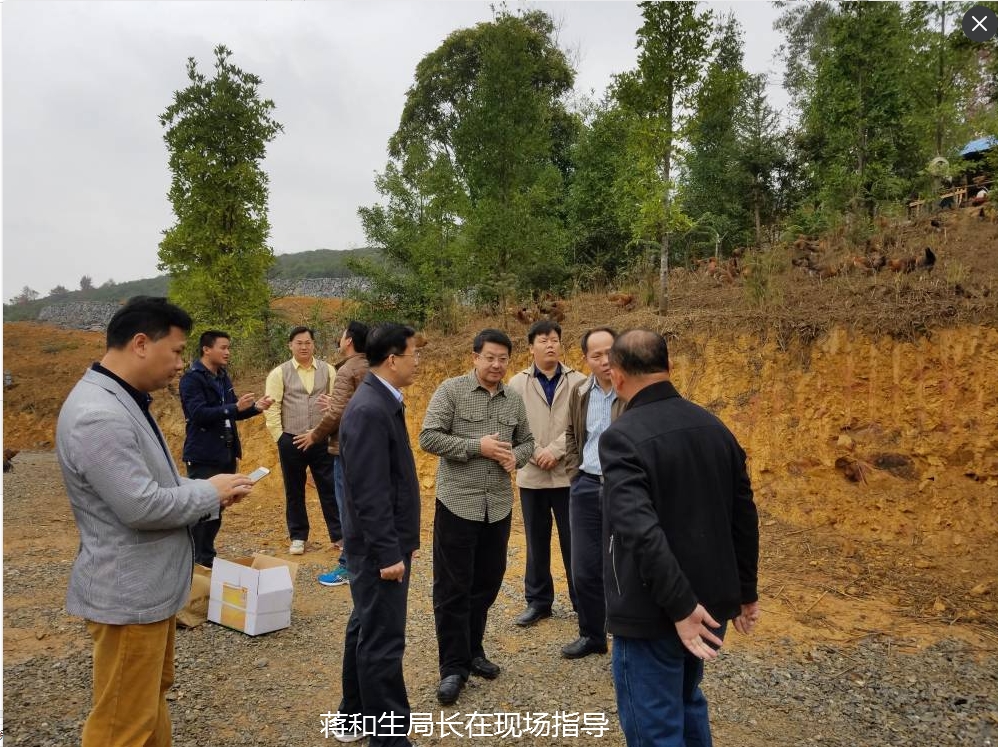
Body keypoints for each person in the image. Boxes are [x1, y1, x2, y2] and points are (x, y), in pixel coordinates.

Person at [56, 296, 254, 747]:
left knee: (146, 703)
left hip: (147, 592)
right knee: (122, 724)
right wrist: (209, 492)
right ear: (141, 343)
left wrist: (211, 493)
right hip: (128, 595)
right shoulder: (98, 414)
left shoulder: (122, 399)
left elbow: (155, 482)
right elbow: (141, 506)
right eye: (178, 350)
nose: (181, 364)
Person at [599, 329, 760, 747]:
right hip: (710, 606)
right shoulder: (715, 427)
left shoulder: (621, 437)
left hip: (659, 611)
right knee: (688, 703)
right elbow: (744, 516)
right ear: (670, 367)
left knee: (655, 724)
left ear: (616, 377)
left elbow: (639, 530)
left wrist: (681, 606)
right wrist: (746, 591)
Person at [418, 329, 534, 706]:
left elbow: (527, 441)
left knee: (486, 583)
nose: (497, 365)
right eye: (490, 357)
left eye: (503, 359)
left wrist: (515, 457)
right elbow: (428, 437)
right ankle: (452, 667)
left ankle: (473, 650)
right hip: (458, 504)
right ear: (475, 357)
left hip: (497, 506)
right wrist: (476, 447)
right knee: (453, 588)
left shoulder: (513, 399)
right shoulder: (451, 391)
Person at [334, 324, 421, 746]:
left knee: (365, 626)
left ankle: (352, 715)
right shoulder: (370, 409)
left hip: (378, 544)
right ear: (392, 359)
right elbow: (370, 493)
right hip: (376, 549)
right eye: (413, 353)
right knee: (383, 642)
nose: (418, 361)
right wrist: (389, 553)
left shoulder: (380, 400)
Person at [507, 320, 586, 628]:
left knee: (575, 541)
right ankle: (538, 602)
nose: (550, 344)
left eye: (554, 339)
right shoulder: (517, 384)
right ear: (531, 348)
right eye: (543, 340)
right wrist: (536, 450)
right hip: (532, 476)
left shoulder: (579, 381)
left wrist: (554, 450)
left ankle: (583, 601)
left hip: (568, 476)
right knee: (536, 541)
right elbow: (512, 425)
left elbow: (583, 424)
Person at [179, 329, 273, 567]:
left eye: (228, 347)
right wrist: (234, 408)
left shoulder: (222, 377)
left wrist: (256, 408)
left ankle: (205, 558)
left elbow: (234, 412)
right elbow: (198, 414)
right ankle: (194, 561)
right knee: (202, 509)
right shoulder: (192, 379)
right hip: (203, 455)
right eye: (223, 347)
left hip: (226, 453)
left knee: (218, 507)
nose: (228, 352)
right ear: (206, 349)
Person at [561, 326, 626, 659]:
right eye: (596, 355)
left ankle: (628, 640)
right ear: (585, 359)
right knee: (584, 568)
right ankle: (592, 635)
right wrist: (575, 474)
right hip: (585, 486)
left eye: (610, 352)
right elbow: (572, 433)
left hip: (623, 487)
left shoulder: (632, 391)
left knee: (624, 566)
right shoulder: (580, 391)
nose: (604, 360)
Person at [294, 321, 369, 587]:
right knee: (363, 506)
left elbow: (337, 414)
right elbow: (359, 407)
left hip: (345, 448)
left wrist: (314, 435)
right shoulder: (372, 366)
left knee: (347, 508)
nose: (340, 338)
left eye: (342, 334)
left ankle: (348, 565)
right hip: (367, 446)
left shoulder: (347, 369)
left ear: (349, 341)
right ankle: (366, 560)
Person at [264, 326, 339, 556]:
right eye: (299, 343)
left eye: (308, 342)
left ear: (314, 344)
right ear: (290, 345)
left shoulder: (328, 370)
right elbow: (272, 407)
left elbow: (336, 403)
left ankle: (339, 535)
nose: (304, 347)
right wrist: (280, 437)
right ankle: (298, 536)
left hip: (320, 438)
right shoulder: (279, 373)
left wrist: (327, 431)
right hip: (292, 439)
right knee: (294, 490)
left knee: (329, 487)